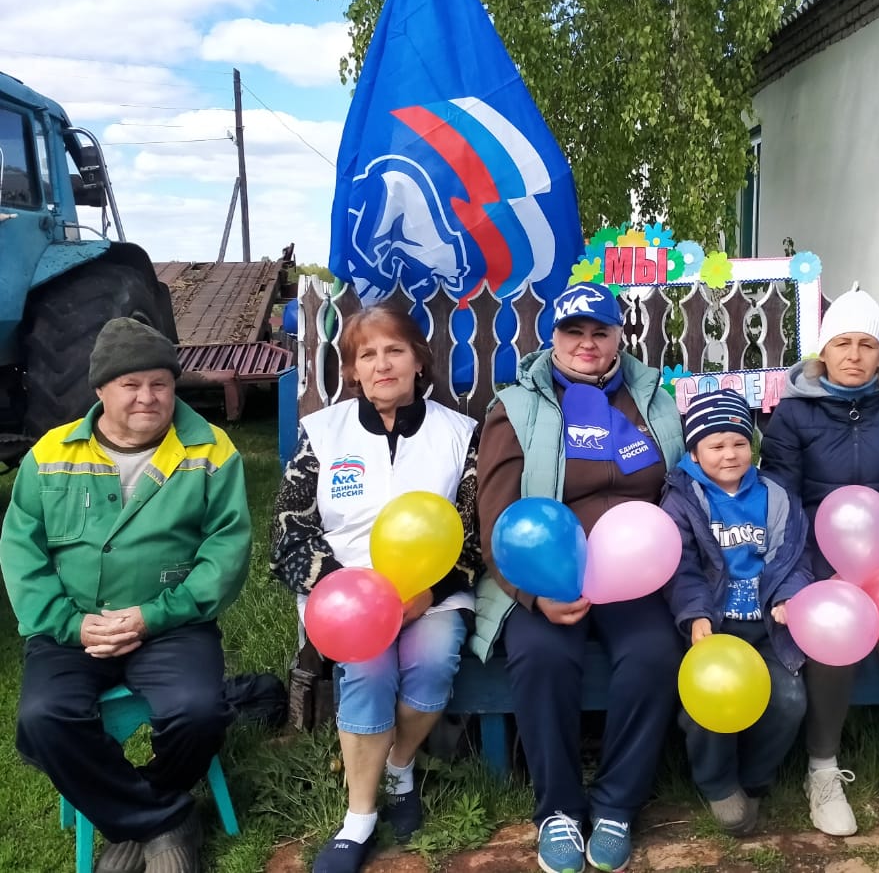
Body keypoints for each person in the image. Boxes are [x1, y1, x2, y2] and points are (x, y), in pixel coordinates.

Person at [1, 317, 252, 873]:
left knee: (199, 710)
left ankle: (134, 814)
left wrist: (154, 615)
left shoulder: (211, 450)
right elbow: (22, 554)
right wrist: (70, 625)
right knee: (44, 718)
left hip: (171, 623)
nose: (148, 397)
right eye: (130, 384)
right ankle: (163, 821)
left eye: (160, 384)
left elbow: (225, 552)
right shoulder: (49, 454)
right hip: (73, 629)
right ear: (100, 391)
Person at [473, 282, 685, 873]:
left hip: (635, 577)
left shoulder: (651, 400)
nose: (587, 343)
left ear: (620, 337)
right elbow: (495, 515)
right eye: (574, 331)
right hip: (545, 574)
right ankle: (560, 810)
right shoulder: (516, 407)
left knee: (652, 654)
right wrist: (531, 594)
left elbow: (681, 486)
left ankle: (617, 804)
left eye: (601, 331)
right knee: (543, 658)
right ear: (554, 339)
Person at [271, 302, 482, 873]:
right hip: (346, 599)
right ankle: (359, 817)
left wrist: (428, 596)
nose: (382, 364)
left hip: (430, 592)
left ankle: (399, 766)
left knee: (434, 661)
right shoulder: (322, 433)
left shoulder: (459, 435)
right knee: (367, 670)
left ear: (419, 361)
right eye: (368, 354)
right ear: (353, 370)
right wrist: (350, 593)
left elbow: (474, 534)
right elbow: (289, 534)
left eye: (395, 350)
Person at [760, 288, 879, 835]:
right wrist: (831, 573)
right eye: (843, 342)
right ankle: (821, 768)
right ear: (823, 351)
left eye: (867, 344)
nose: (855, 355)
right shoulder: (793, 415)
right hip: (821, 561)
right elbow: (784, 505)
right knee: (832, 637)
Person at [660, 389, 811, 836]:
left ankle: (753, 779)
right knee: (711, 701)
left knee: (789, 700)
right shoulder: (682, 499)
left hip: (767, 627)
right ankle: (718, 783)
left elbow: (794, 557)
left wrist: (787, 595)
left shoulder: (777, 495)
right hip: (715, 628)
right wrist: (695, 614)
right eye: (716, 445)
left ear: (753, 444)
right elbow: (680, 565)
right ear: (694, 450)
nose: (729, 454)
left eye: (739, 442)